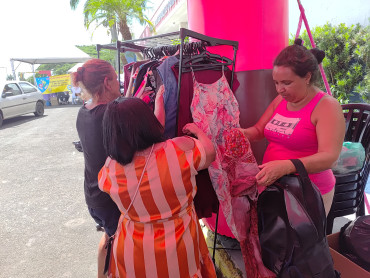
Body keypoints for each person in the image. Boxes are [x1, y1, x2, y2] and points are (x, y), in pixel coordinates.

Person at [98, 97, 217, 277]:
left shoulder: (110, 168)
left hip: (132, 253)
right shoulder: (180, 149)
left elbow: (104, 186)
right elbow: (210, 154)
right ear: (148, 121)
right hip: (179, 250)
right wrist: (198, 131)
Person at [240, 39, 345, 215]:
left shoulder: (327, 106)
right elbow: (259, 131)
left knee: (300, 242)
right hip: (273, 186)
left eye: (286, 83)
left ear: (307, 77)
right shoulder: (281, 100)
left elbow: (330, 157)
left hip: (308, 191)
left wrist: (288, 166)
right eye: (276, 83)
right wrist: (240, 133)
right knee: (271, 239)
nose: (279, 89)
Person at [71, 59, 123, 278]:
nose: (120, 83)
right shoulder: (111, 114)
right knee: (121, 248)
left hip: (93, 197)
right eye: (116, 78)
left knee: (109, 239)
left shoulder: (83, 112)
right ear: (106, 82)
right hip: (110, 200)